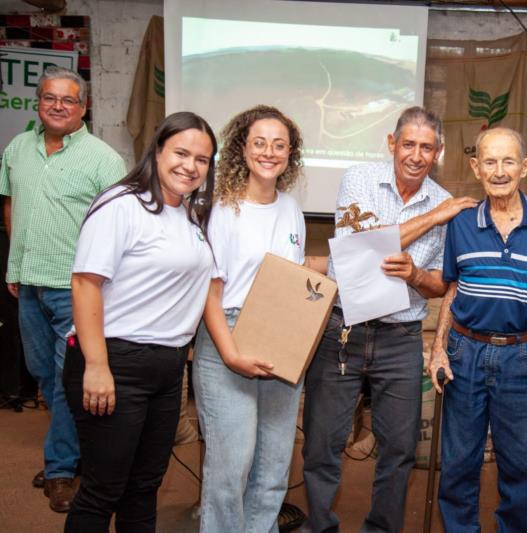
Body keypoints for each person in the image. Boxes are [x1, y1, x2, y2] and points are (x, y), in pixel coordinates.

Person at [302, 106, 476, 533]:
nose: (416, 155)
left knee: (398, 449)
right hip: (343, 329)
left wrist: (416, 275)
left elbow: (440, 285)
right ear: (392, 144)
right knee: (322, 444)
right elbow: (362, 247)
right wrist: (434, 217)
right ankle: (320, 527)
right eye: (409, 144)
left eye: (426, 147)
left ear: (439, 152)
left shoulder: (444, 201)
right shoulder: (360, 179)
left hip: (400, 336)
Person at [62, 111, 217, 532]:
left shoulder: (186, 215)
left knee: (145, 486)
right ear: (158, 150)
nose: (190, 166)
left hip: (167, 369)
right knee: (102, 489)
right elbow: (85, 284)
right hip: (114, 362)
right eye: (181, 153)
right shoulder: (121, 205)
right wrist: (96, 366)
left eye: (202, 159)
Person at [428, 127, 527, 532]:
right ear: (476, 168)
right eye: (489, 161)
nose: (499, 171)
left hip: (526, 358)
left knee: (523, 466)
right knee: (458, 463)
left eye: (509, 161)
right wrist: (439, 348)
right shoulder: (460, 223)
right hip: (465, 353)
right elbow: (454, 289)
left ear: (525, 167)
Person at [0, 66, 126, 512]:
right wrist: (15, 264)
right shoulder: (18, 148)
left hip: (75, 288)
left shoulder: (104, 159)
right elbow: (11, 202)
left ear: (83, 107)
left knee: (64, 378)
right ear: (38, 102)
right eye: (50, 97)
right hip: (29, 283)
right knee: (44, 375)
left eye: (68, 100)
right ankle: (76, 452)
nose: (58, 105)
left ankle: (60, 469)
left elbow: (120, 227)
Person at [192, 105, 322, 532]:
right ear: (242, 150)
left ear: (291, 154)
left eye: (279, 145)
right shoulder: (222, 209)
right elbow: (210, 291)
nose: (269, 152)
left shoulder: (291, 209)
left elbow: (292, 273)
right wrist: (230, 355)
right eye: (259, 143)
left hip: (281, 334)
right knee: (232, 465)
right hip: (227, 333)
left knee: (273, 464)